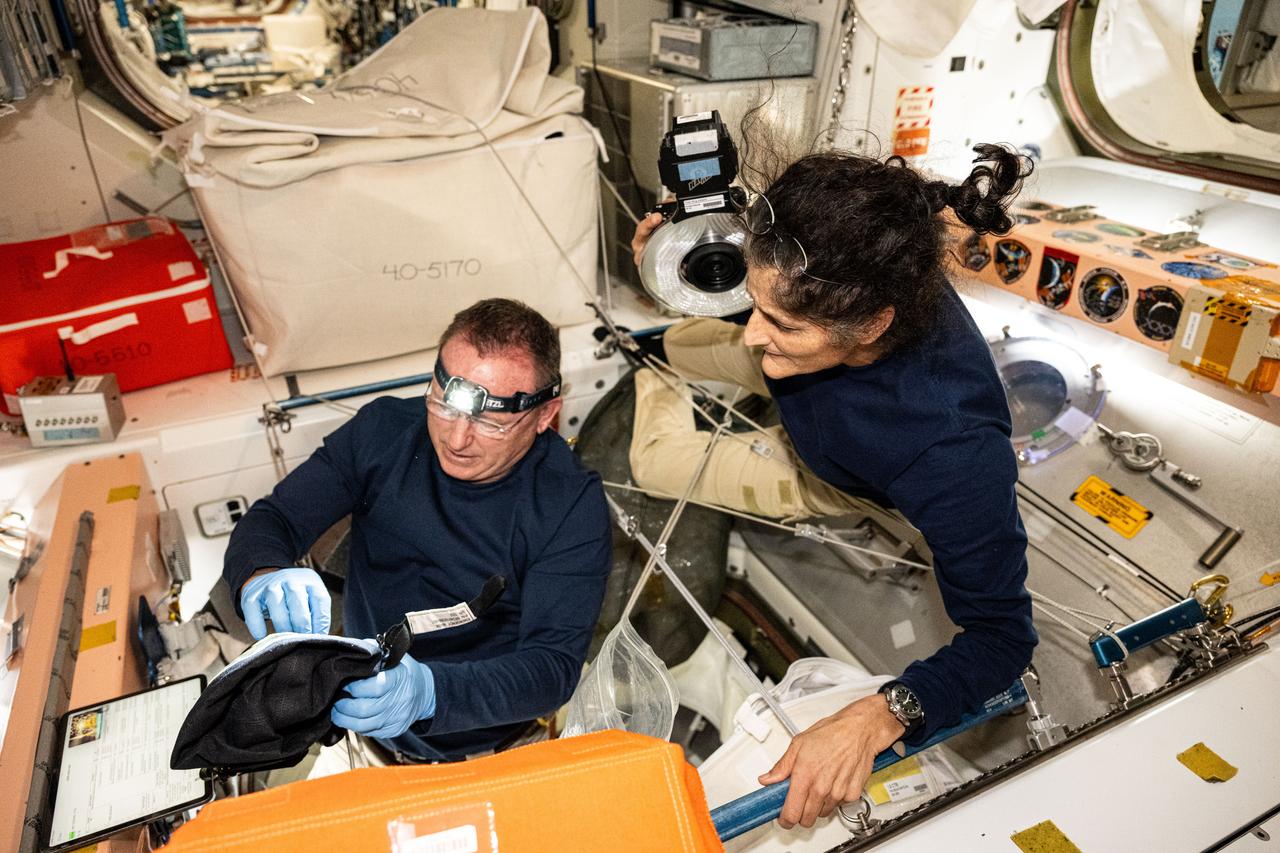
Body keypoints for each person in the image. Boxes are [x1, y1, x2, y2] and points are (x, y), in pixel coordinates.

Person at [629, 144, 1038, 828]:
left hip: (835, 471)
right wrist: (665, 269)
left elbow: (1002, 639)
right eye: (756, 301)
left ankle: (660, 375)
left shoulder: (952, 455)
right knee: (676, 339)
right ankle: (659, 357)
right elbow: (760, 319)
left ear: (873, 324)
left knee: (655, 460)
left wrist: (878, 715)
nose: (754, 333)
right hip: (812, 381)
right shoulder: (841, 255)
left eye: (782, 322)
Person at [222, 298, 612, 766]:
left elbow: (551, 668)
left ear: (546, 415)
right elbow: (273, 521)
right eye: (444, 406)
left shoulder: (569, 505)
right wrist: (264, 572)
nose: (456, 439)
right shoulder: (383, 431)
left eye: (489, 423)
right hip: (363, 736)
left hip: (490, 753)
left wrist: (430, 692)